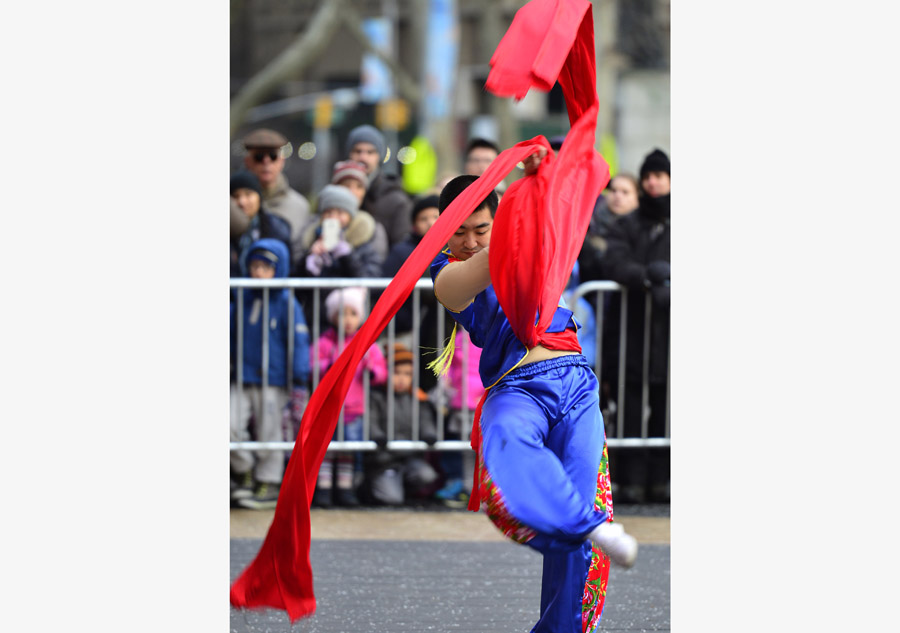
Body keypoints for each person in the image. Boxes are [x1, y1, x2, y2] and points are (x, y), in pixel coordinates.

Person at [430, 170, 637, 633]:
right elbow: (463, 281)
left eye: (480, 228)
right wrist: (508, 233)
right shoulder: (445, 271)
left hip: (576, 381)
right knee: (509, 453)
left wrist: (537, 183)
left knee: (585, 524)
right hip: (517, 387)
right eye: (457, 231)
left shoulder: (532, 243)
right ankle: (580, 522)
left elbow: (571, 204)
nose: (468, 240)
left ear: (497, 221)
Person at [602, 148, 671, 504]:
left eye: (660, 175)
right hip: (631, 334)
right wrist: (647, 278)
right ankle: (628, 479)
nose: (654, 182)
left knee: (664, 409)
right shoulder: (626, 225)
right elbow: (614, 262)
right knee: (628, 407)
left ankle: (661, 480)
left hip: (667, 336)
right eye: (649, 176)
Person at [231, 238, 311, 510]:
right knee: (230, 423)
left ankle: (269, 481)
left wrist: (299, 375)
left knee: (270, 430)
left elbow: (299, 341)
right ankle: (244, 470)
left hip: (274, 379)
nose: (258, 273)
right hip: (241, 376)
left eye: (266, 267)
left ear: (279, 270)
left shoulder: (287, 302)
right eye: (254, 266)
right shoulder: (241, 298)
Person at [312, 286, 388, 507]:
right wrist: (328, 364)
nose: (347, 319)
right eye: (342, 313)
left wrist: (371, 369)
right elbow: (311, 366)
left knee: (348, 450)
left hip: (354, 409)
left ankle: (345, 489)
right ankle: (324, 489)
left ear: (360, 317)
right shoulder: (325, 342)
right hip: (328, 407)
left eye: (353, 314)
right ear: (333, 317)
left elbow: (381, 374)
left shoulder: (366, 345)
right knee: (327, 449)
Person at [297, 183, 388, 330]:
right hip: (317, 323)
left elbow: (370, 283)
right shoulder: (311, 242)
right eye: (328, 212)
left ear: (350, 216)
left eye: (340, 213)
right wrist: (308, 261)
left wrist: (346, 256)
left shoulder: (363, 246)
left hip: (350, 326)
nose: (334, 218)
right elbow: (298, 288)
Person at [363, 343, 439, 505]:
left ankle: (401, 488)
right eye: (396, 373)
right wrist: (377, 436)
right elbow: (371, 420)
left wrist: (429, 434)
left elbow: (425, 420)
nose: (402, 378)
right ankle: (371, 487)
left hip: (409, 457)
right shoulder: (376, 397)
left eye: (407, 374)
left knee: (427, 475)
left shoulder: (416, 398)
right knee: (391, 499)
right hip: (384, 459)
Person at [242, 128, 313, 270]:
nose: (266, 162)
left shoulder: (298, 205)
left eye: (273, 156)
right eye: (259, 157)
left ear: (282, 161)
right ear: (248, 161)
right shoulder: (235, 202)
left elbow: (300, 254)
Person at [432, 328, 483, 508]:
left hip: (482, 402)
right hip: (460, 402)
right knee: (463, 448)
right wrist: (446, 384)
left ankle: (479, 489)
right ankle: (467, 488)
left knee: (479, 449)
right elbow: (448, 364)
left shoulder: (488, 334)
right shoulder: (458, 337)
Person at [345, 124, 413, 248]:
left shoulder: (396, 200)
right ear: (349, 153)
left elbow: (401, 249)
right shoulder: (335, 193)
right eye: (357, 151)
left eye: (370, 152)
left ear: (379, 156)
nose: (363, 157)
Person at [230, 170, 293, 277]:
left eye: (248, 194)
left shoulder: (276, 228)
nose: (242, 202)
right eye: (236, 196)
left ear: (259, 197)